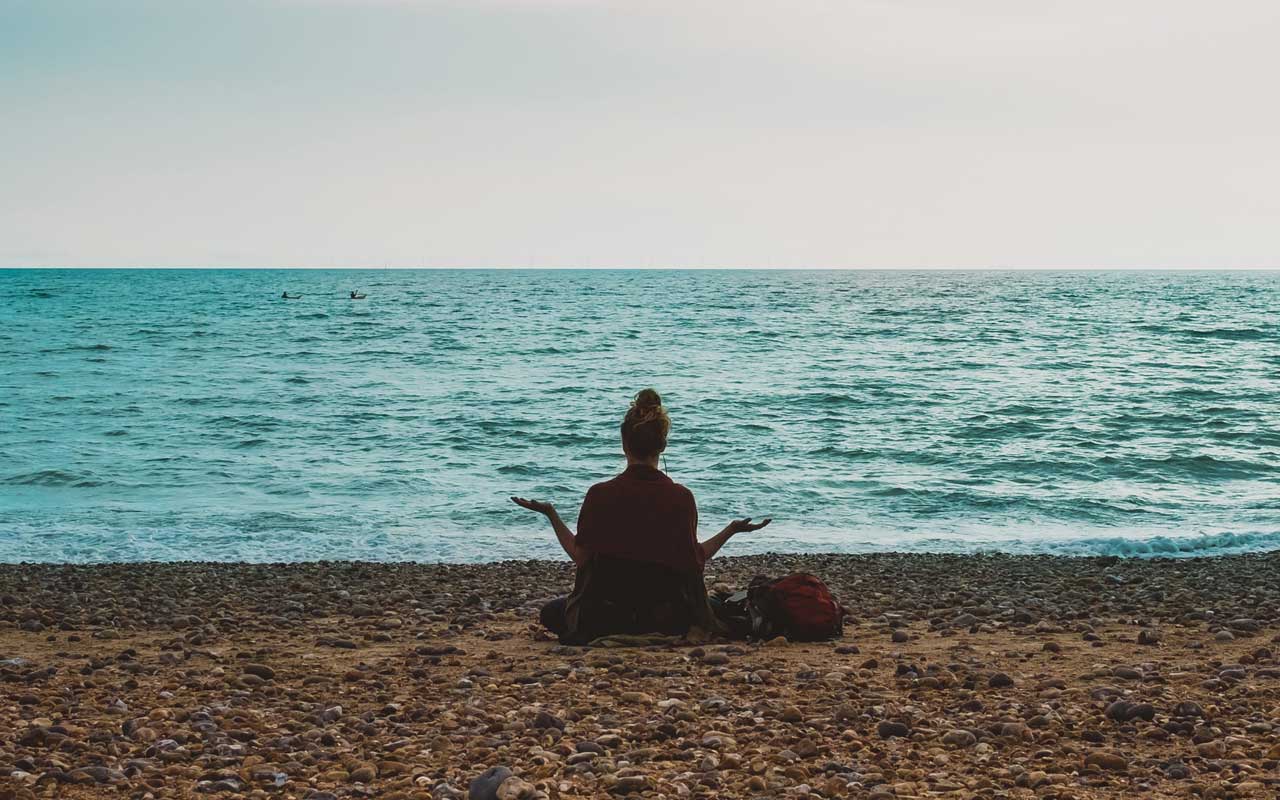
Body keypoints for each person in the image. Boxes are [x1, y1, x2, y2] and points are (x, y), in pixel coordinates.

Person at [511, 389, 771, 643]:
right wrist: (730, 530)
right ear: (663, 445)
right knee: (719, 605)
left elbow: (582, 558)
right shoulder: (681, 497)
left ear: (623, 443)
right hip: (667, 617)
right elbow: (694, 562)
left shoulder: (600, 495)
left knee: (552, 612)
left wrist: (551, 515)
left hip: (607, 615)